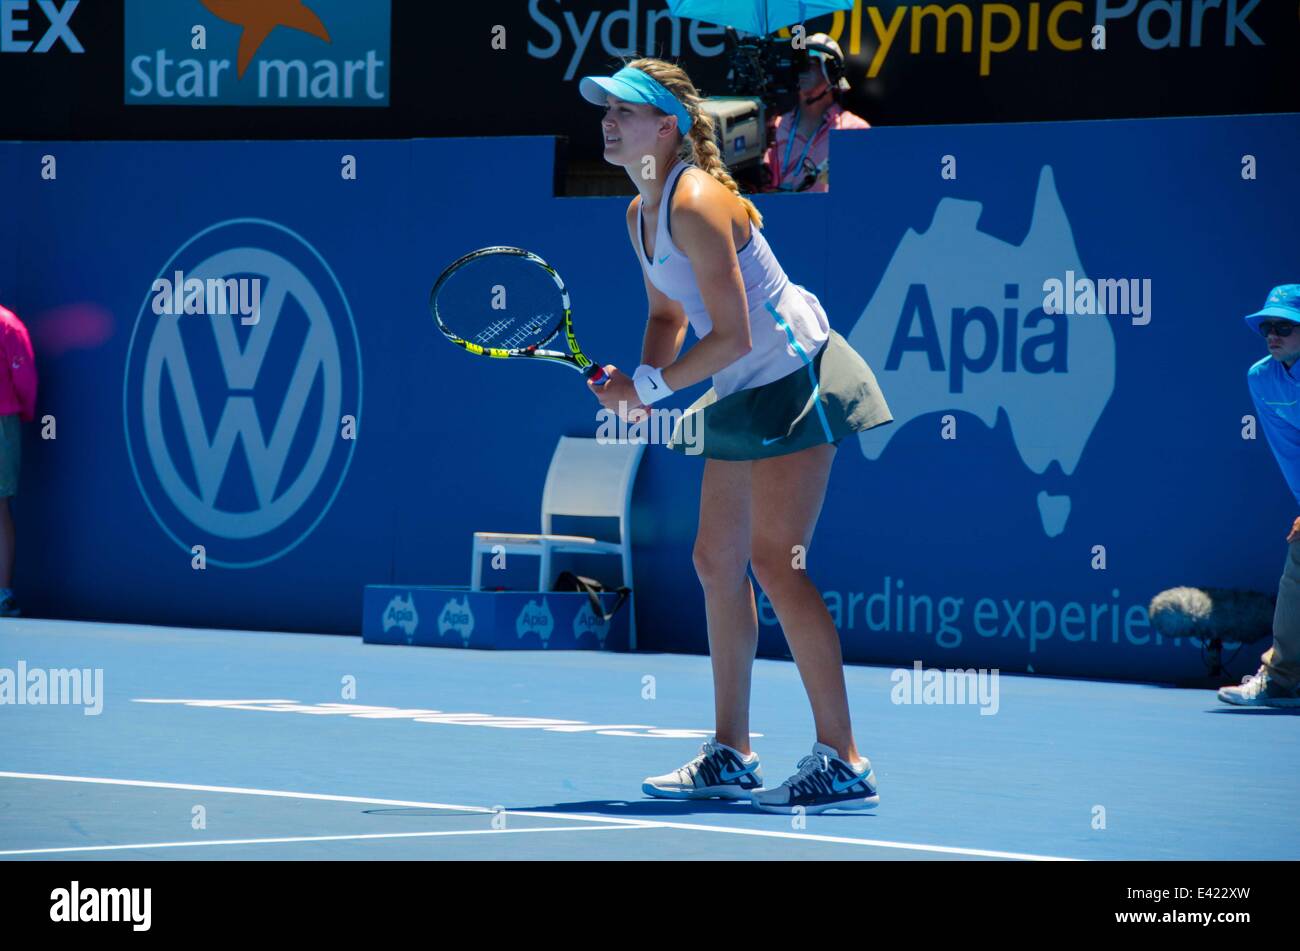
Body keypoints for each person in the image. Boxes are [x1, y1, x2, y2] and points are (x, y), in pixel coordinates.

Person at [579, 58, 894, 813]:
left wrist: (652, 387)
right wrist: (643, 388)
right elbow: (668, 319)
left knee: (776, 565)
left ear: (669, 127)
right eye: (605, 110)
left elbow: (735, 333)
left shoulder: (694, 200)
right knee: (716, 559)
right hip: (738, 388)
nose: (608, 121)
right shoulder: (639, 212)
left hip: (793, 374)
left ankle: (844, 756)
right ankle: (732, 750)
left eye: (626, 110)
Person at [1221, 284, 1300, 707]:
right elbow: (1290, 449)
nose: (1273, 334)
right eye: (1267, 326)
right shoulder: (1262, 377)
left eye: (1285, 326)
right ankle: (1283, 681)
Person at [762, 34, 869, 193]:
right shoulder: (776, 127)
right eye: (799, 64)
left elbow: (860, 191)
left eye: (809, 63)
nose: (801, 70)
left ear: (832, 72)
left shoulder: (854, 130)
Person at [0, 303, 36, 618]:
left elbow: (23, 376)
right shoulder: (8, 324)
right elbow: (24, 379)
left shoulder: (7, 325)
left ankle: (3, 595)